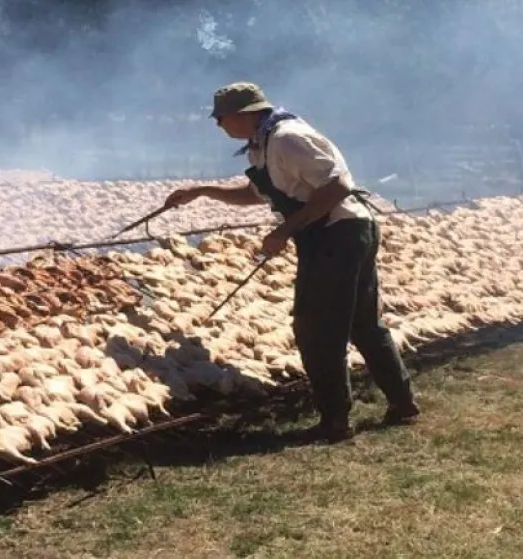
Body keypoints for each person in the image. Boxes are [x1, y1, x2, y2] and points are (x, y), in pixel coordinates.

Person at [164, 82, 420, 443]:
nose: (219, 126)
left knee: (316, 329)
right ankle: (403, 404)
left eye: (221, 118)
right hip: (338, 233)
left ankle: (336, 420)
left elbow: (337, 186)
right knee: (362, 323)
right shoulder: (262, 145)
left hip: (338, 233)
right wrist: (202, 191)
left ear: (243, 114)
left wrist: (284, 230)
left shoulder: (288, 137)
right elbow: (255, 194)